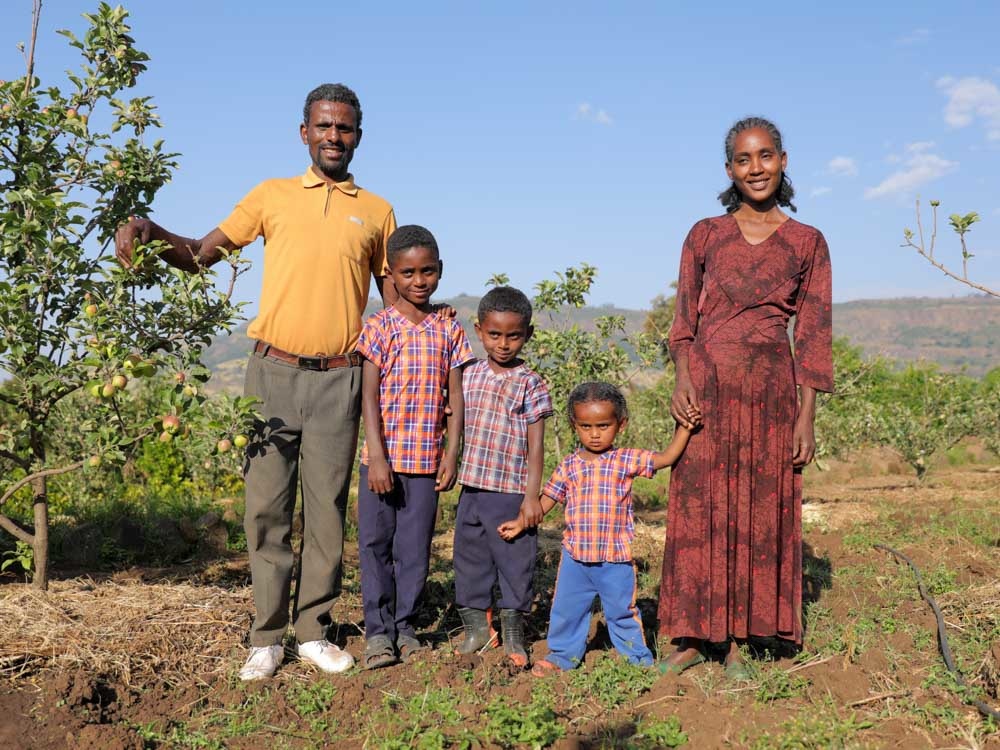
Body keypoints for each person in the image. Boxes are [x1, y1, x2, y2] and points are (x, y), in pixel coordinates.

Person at [114, 83, 397, 681]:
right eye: (323, 126)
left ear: (358, 137)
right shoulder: (271, 197)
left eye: (344, 128)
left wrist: (435, 340)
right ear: (304, 132)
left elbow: (393, 297)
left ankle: (314, 631)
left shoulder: (375, 210)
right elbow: (200, 253)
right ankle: (266, 634)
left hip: (340, 380)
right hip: (271, 376)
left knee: (326, 515)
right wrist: (148, 228)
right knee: (265, 510)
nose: (333, 137)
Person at [656, 116, 833, 680]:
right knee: (699, 504)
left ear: (783, 161)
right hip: (707, 386)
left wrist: (806, 416)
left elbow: (812, 335)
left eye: (764, 157)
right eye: (742, 159)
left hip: (770, 393)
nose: (754, 168)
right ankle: (691, 633)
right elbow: (683, 320)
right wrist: (683, 378)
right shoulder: (704, 234)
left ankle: (738, 640)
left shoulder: (808, 243)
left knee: (758, 508)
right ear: (729, 169)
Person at [498, 382, 700, 676]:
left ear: (621, 424)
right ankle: (562, 656)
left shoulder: (625, 459)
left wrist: (685, 428)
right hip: (575, 559)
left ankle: (637, 661)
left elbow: (666, 458)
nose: (594, 434)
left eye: (603, 425)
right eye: (586, 426)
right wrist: (520, 522)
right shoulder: (569, 465)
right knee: (567, 610)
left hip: (614, 559)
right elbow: (547, 500)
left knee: (622, 613)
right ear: (574, 425)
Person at [355, 224, 475, 669]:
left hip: (427, 459)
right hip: (381, 461)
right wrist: (377, 456)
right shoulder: (379, 327)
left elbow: (456, 396)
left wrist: (451, 452)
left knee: (415, 547)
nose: (418, 281)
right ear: (391, 274)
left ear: (440, 271)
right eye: (408, 273)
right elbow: (368, 395)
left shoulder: (449, 330)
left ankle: (405, 627)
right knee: (374, 543)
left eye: (427, 271)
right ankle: (377, 632)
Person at [452, 286, 553, 668]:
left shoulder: (530, 382)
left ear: (527, 334)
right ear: (480, 330)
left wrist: (532, 497)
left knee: (515, 563)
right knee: (469, 558)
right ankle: (478, 628)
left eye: (514, 335)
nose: (504, 343)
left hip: (510, 492)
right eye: (495, 334)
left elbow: (536, 445)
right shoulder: (469, 375)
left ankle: (514, 631)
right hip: (472, 487)